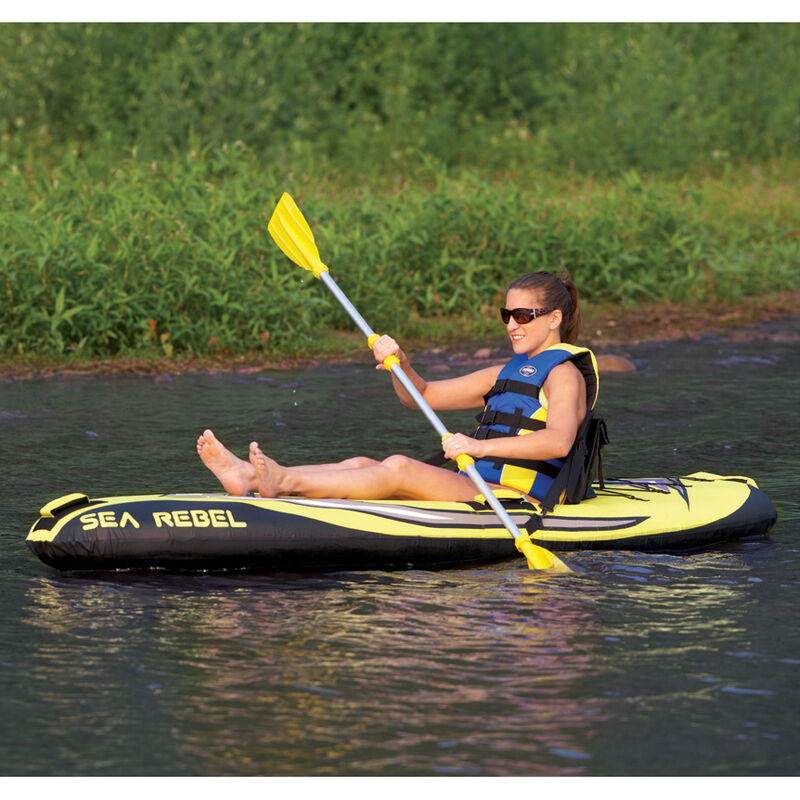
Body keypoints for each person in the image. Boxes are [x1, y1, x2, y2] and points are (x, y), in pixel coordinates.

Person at [197, 270, 599, 504]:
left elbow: (559, 441)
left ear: (553, 318)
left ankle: (282, 482)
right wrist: (400, 364)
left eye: (523, 315)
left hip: (516, 498)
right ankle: (250, 477)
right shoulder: (504, 373)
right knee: (360, 465)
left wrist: (478, 448)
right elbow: (421, 397)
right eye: (506, 314)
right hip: (481, 485)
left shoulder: (563, 374)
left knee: (400, 467)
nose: (512, 324)